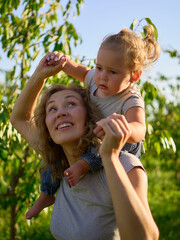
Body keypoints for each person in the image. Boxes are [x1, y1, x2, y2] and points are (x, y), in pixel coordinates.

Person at [10, 53, 159, 239]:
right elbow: (20, 118)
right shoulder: (59, 163)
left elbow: (146, 237)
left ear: (90, 116)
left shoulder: (124, 164)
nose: (61, 113)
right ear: (47, 128)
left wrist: (110, 156)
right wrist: (41, 74)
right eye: (52, 109)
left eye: (71, 104)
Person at [27, 26, 161, 219]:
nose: (102, 76)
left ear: (134, 76)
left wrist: (123, 128)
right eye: (99, 68)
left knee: (98, 151)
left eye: (113, 72)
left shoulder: (130, 98)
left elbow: (140, 130)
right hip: (94, 136)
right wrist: (62, 61)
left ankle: (83, 166)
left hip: (120, 145)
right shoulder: (95, 80)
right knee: (55, 155)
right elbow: (79, 70)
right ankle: (46, 193)